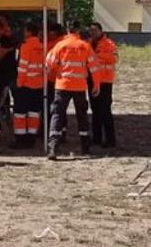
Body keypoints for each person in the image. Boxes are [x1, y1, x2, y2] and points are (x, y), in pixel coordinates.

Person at [45, 24, 98, 160]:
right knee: (82, 116)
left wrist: (55, 75)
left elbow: (50, 64)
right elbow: (94, 66)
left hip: (62, 85)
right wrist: (96, 85)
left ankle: (53, 148)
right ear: (79, 31)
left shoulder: (60, 45)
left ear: (68, 31)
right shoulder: (85, 46)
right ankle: (85, 148)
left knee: (57, 115)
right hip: (80, 86)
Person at [13, 21, 45, 149]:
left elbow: (23, 66)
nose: (23, 33)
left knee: (20, 113)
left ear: (29, 32)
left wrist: (19, 83)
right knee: (34, 113)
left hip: (26, 84)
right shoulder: (43, 45)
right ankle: (31, 138)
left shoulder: (26, 46)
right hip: (39, 85)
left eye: (25, 31)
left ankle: (20, 140)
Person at [88, 22, 118, 148]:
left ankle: (110, 140)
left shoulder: (109, 43)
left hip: (105, 81)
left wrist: (98, 56)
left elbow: (115, 58)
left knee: (105, 110)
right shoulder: (88, 43)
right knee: (95, 110)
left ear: (101, 31)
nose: (93, 33)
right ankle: (96, 138)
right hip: (92, 80)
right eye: (91, 30)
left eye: (95, 30)